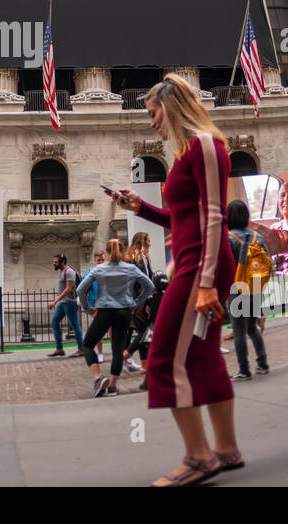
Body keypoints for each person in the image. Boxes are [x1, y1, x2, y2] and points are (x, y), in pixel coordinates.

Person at [112, 74, 240, 487]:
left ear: (171, 106)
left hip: (199, 266)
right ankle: (226, 449)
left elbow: (216, 216)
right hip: (195, 260)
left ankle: (199, 458)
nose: (151, 123)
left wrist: (204, 283)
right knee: (203, 356)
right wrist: (141, 207)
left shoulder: (203, 144)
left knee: (164, 357)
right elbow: (186, 218)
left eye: (153, 113)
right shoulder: (190, 151)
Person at [76, 238, 154, 397]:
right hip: (124, 311)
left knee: (88, 344)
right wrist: (136, 303)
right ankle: (112, 386)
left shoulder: (99, 269)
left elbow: (80, 290)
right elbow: (150, 286)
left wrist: (89, 309)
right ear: (123, 250)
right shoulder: (130, 269)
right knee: (118, 349)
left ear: (107, 252)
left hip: (104, 311)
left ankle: (98, 378)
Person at [225, 200, 270, 381]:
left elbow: (225, 265)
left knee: (238, 330)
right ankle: (263, 364)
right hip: (255, 287)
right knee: (252, 328)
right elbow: (266, 261)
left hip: (237, 288)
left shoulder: (228, 238)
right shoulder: (256, 237)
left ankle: (244, 370)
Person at [122, 232, 153, 373]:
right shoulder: (142, 258)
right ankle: (126, 355)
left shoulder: (129, 258)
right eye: (148, 240)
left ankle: (144, 364)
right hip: (141, 299)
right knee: (144, 332)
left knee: (139, 331)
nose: (150, 243)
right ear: (142, 242)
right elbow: (146, 281)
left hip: (130, 299)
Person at [47, 254, 84, 357]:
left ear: (62, 262)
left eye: (56, 261)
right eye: (53, 261)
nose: (54, 263)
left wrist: (55, 301)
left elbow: (69, 289)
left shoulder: (69, 271)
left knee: (75, 325)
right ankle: (59, 349)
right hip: (62, 303)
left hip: (70, 303)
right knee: (54, 322)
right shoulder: (62, 272)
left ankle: (82, 349)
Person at [80, 247, 107, 363]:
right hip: (96, 305)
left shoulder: (108, 271)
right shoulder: (90, 272)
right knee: (99, 331)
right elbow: (82, 288)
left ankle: (116, 351)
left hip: (109, 304)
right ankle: (100, 353)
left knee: (111, 329)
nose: (101, 262)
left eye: (103, 260)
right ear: (95, 260)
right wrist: (88, 308)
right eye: (99, 260)